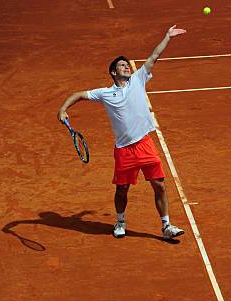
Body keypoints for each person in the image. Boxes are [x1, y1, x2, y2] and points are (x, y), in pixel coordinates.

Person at [57, 25, 187, 240]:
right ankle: (120, 221)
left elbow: (155, 55)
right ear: (113, 72)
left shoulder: (138, 79)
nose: (127, 67)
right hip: (124, 150)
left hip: (144, 143)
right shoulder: (105, 93)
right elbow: (77, 94)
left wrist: (167, 37)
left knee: (159, 185)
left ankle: (166, 226)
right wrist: (63, 109)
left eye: (127, 65)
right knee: (122, 190)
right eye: (122, 65)